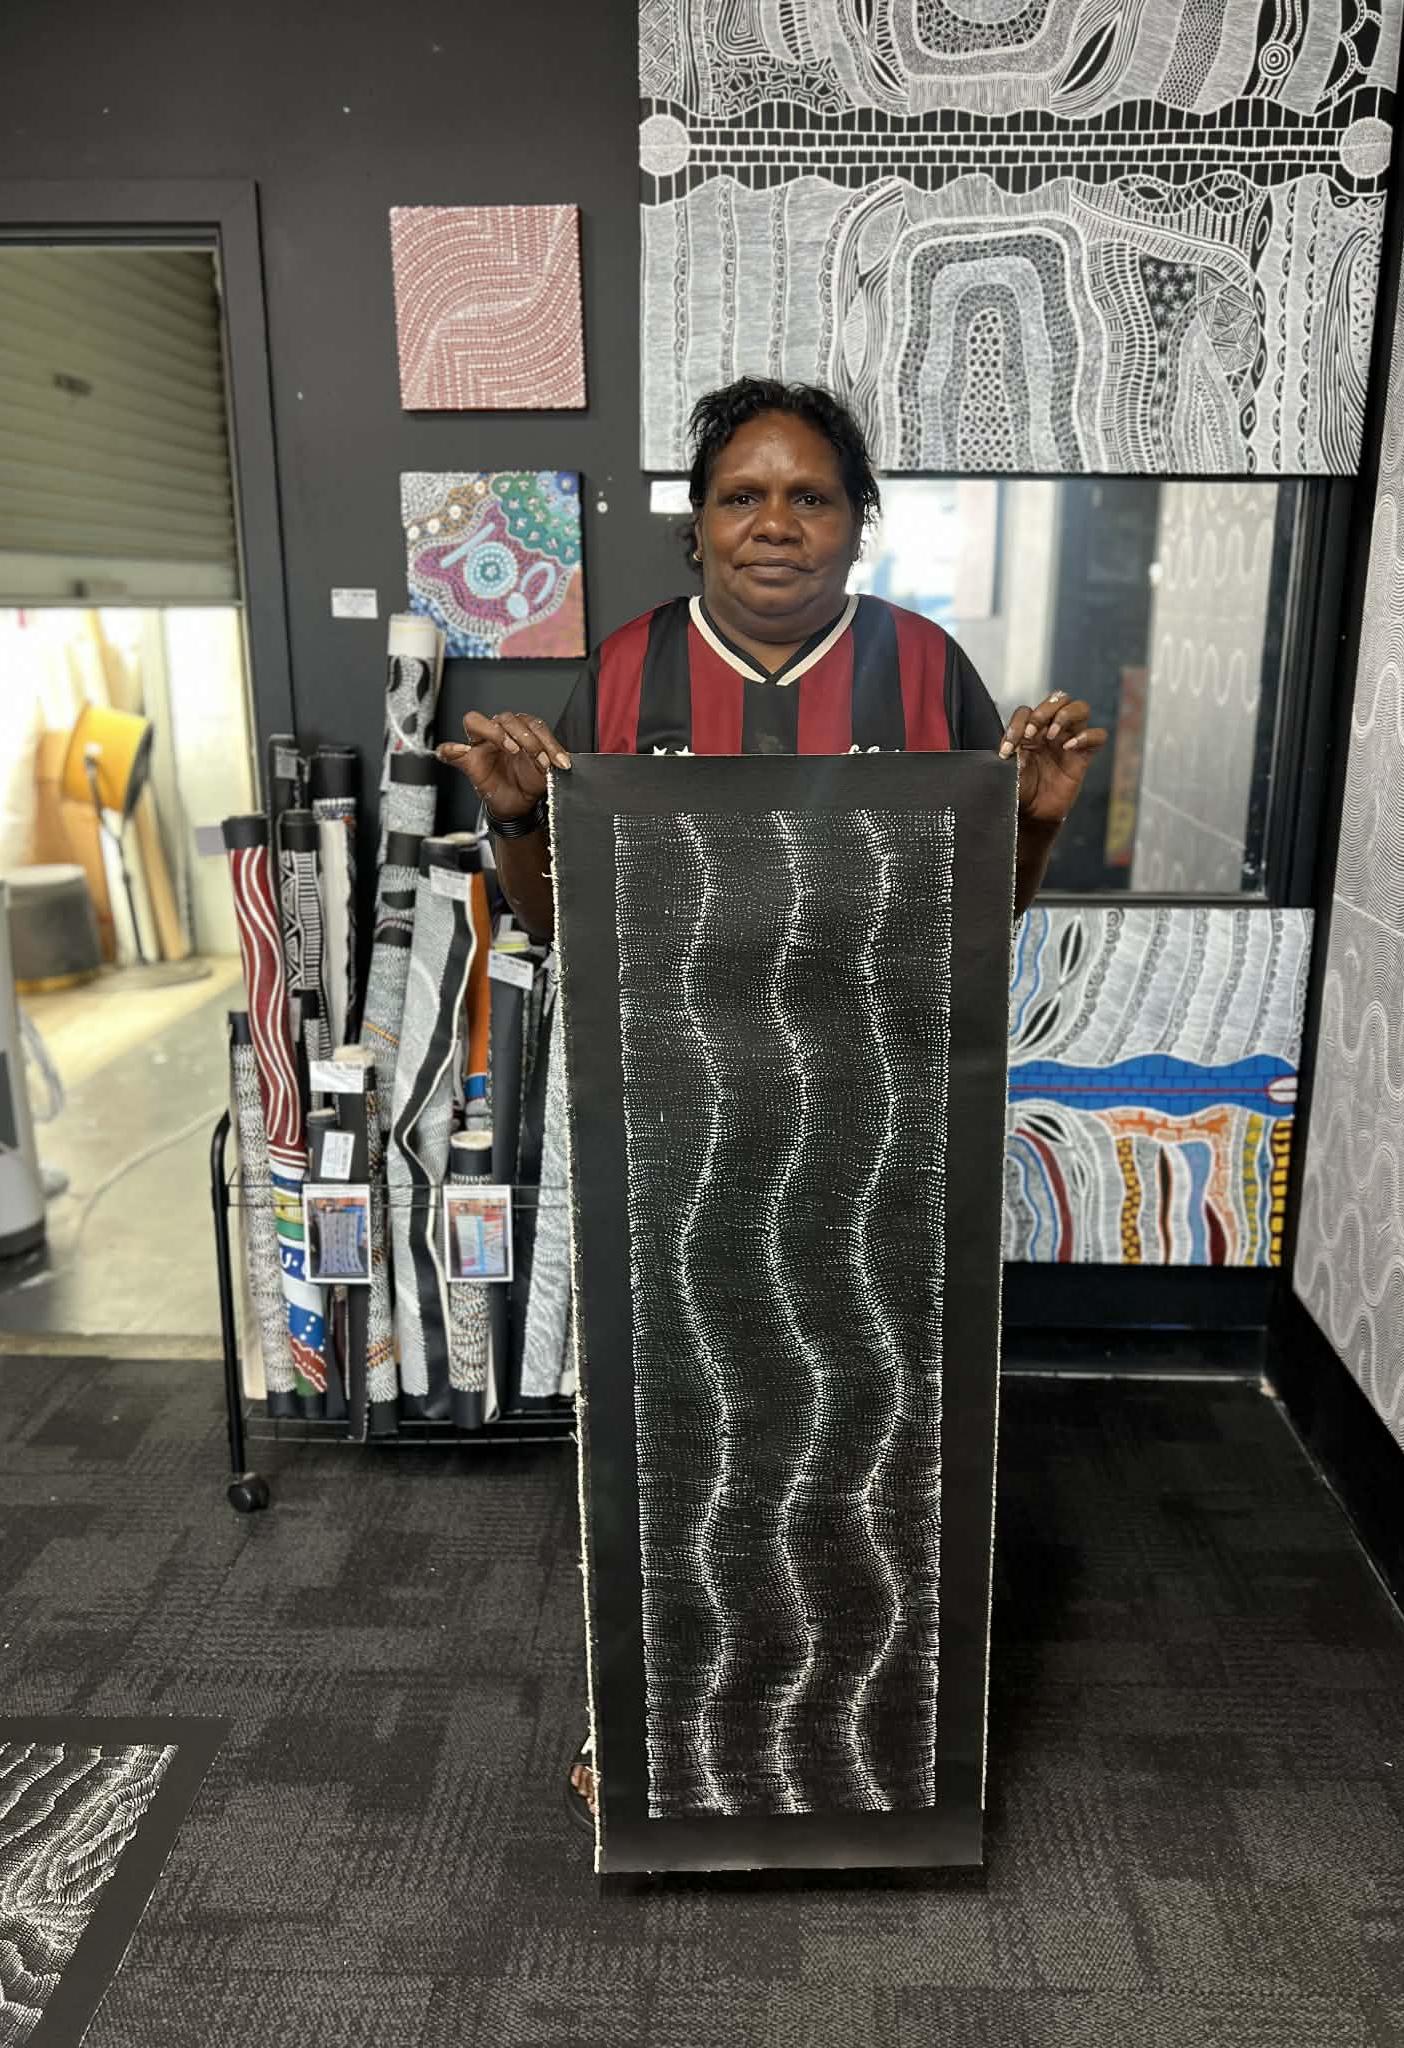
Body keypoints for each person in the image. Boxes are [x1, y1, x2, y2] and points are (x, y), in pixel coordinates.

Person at [438, 376, 1107, 1824]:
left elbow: (974, 927)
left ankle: (888, 1747)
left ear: (859, 523)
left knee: (871, 1436)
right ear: (697, 525)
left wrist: (1037, 820)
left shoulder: (925, 674)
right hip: (674, 1132)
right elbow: (560, 922)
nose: (776, 523)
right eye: (742, 495)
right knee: (674, 1444)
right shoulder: (626, 678)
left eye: (812, 496)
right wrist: (516, 818)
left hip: (880, 1141)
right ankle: (650, 1730)